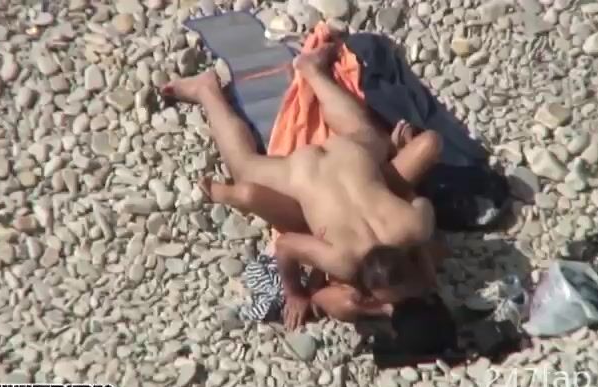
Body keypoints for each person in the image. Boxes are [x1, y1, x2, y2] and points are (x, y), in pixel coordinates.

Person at [162, 40, 445, 328]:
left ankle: (312, 71)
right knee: (243, 168)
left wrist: (414, 236)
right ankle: (206, 91)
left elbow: (419, 201)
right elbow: (285, 245)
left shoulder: (413, 226)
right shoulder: (343, 261)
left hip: (350, 156)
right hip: (304, 173)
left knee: (365, 133)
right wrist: (295, 293)